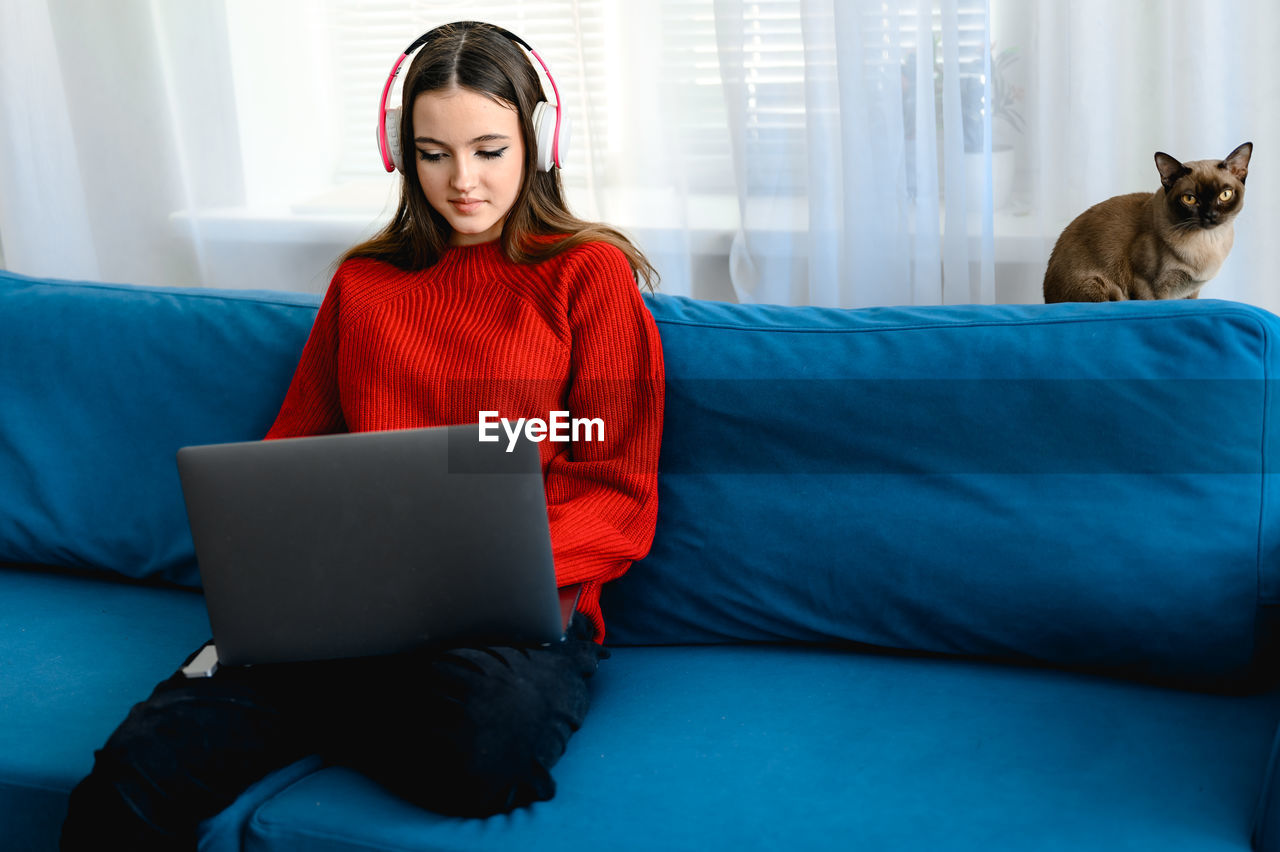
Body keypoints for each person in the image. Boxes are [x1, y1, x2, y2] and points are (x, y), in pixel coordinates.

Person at [60, 20, 664, 849]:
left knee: (486, 750)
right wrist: (282, 578)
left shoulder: (587, 276)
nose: (463, 182)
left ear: (539, 140)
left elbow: (618, 490)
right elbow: (292, 455)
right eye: (433, 152)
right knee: (133, 772)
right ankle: (314, 687)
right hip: (347, 607)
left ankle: (316, 703)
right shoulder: (364, 283)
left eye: (489, 149)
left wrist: (466, 581)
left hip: (510, 619)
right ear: (400, 153)